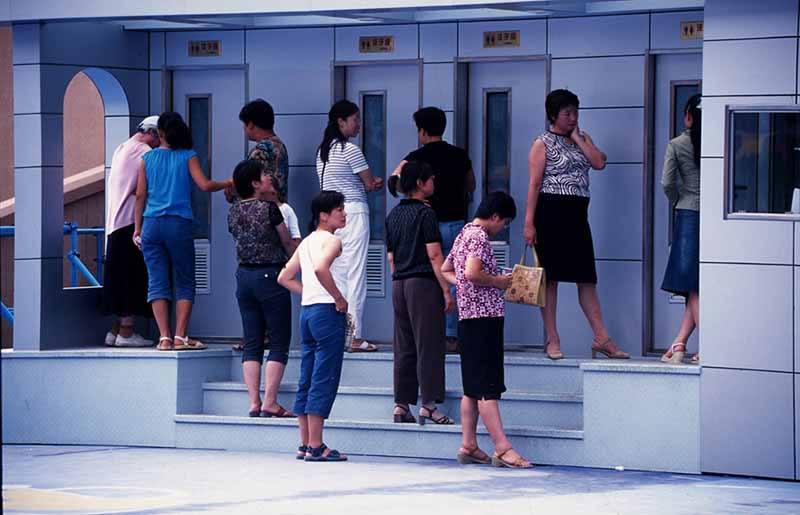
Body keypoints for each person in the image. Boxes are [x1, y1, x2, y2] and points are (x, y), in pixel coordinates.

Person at [523, 89, 629, 360]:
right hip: (550, 212)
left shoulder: (582, 138)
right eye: (567, 113)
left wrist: (577, 138)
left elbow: (598, 163)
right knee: (551, 280)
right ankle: (553, 340)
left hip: (577, 214)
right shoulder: (541, 143)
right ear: (553, 115)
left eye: (575, 112)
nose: (572, 117)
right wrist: (529, 222)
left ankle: (602, 338)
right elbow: (534, 184)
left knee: (586, 278)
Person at [441, 192, 533, 468]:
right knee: (487, 387)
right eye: (504, 222)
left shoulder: (463, 234)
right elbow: (472, 273)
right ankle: (503, 448)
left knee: (471, 387)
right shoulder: (479, 237)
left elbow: (447, 270)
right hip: (485, 318)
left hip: (468, 317)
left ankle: (468, 444)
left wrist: (466, 289)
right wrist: (498, 281)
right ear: (494, 216)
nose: (503, 227)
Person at [133, 112, 231, 351]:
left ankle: (164, 338)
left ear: (161, 134)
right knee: (185, 279)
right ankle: (180, 337)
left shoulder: (148, 158)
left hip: (151, 224)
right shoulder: (188, 156)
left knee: (156, 280)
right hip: (178, 223)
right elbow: (205, 185)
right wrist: (229, 183)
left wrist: (137, 229)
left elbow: (139, 195)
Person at [391, 107, 475, 353]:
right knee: (455, 278)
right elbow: (471, 184)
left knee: (427, 279)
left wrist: (413, 195)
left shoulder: (415, 157)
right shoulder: (460, 155)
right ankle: (451, 335)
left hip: (426, 226)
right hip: (456, 224)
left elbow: (394, 180)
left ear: (423, 131)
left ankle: (427, 333)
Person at [278, 191, 349, 462]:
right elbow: (322, 268)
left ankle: (305, 443)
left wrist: (309, 291)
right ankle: (317, 445)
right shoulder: (333, 240)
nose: (344, 214)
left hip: (307, 312)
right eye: (339, 209)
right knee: (324, 375)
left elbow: (285, 277)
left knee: (307, 375)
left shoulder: (307, 241)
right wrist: (338, 298)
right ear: (324, 215)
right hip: (327, 312)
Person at [386, 161, 455, 425]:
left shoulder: (393, 215)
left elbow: (390, 258)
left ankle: (401, 404)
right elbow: (435, 255)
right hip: (423, 283)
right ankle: (429, 404)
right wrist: (446, 290)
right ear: (419, 183)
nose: (433, 182)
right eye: (430, 179)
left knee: (403, 345)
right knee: (429, 343)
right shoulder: (426, 214)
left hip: (398, 283)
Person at [228, 159, 297, 418]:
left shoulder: (233, 211)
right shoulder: (270, 209)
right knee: (279, 340)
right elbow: (287, 241)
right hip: (271, 275)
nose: (268, 177)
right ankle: (270, 401)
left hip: (243, 276)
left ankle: (254, 402)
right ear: (255, 183)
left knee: (252, 342)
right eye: (264, 175)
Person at [316, 100, 384, 352]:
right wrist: (376, 182)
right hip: (353, 212)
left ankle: (337, 332)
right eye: (354, 119)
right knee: (356, 274)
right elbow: (368, 183)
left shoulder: (322, 151)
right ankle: (354, 336)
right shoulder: (350, 150)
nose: (358, 124)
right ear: (341, 122)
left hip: (330, 218)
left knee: (337, 274)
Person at [102, 116, 160, 347]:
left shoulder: (122, 148)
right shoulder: (144, 152)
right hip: (130, 222)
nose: (159, 142)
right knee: (132, 277)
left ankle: (116, 330)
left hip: (114, 222)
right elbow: (143, 190)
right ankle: (126, 332)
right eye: (159, 136)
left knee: (118, 275)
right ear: (152, 133)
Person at [659, 94, 702, 365]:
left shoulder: (677, 144)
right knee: (694, 284)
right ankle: (679, 345)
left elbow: (666, 182)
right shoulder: (718, 140)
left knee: (693, 284)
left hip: (688, 213)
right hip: (715, 215)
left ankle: (709, 346)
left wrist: (678, 200)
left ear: (688, 116)